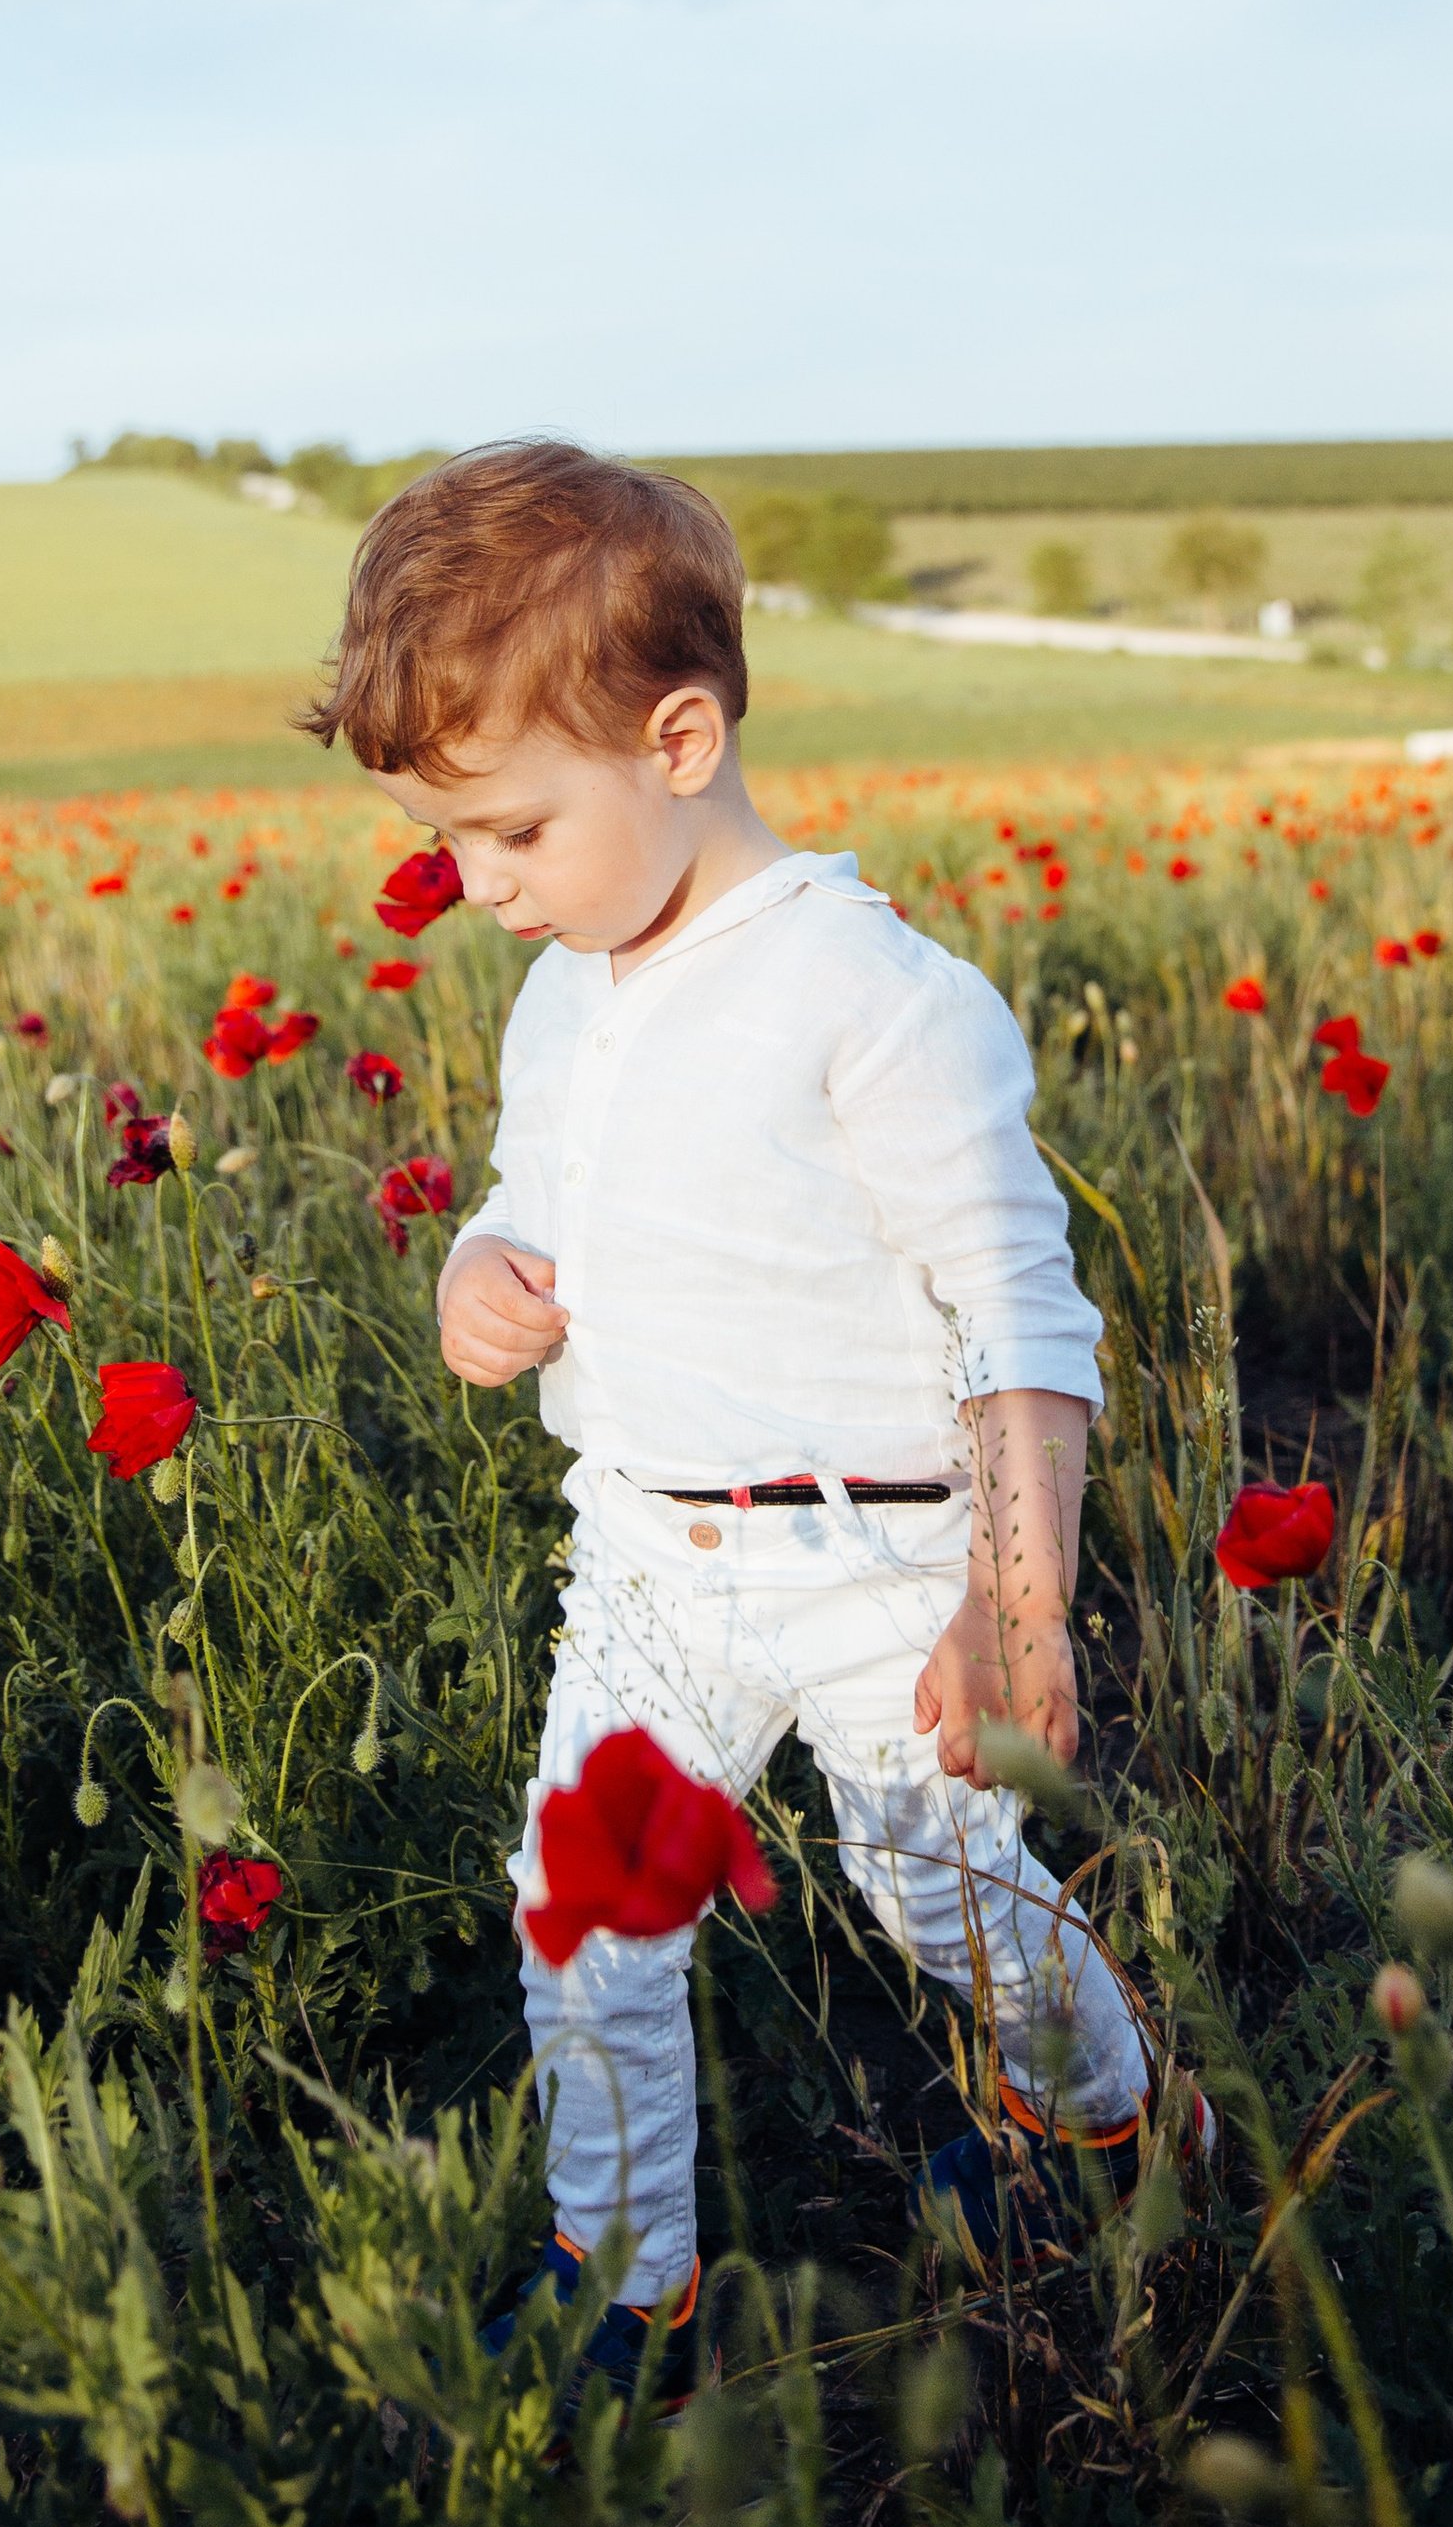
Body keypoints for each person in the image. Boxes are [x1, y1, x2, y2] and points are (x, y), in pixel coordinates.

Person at [309, 439, 1187, 2396]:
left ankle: (1110, 2128)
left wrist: (1018, 1605)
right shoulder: (567, 1002)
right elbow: (541, 1200)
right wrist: (482, 1272)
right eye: (452, 843)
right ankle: (627, 2271)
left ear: (679, 736)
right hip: (641, 1548)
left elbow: (1018, 1318)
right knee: (583, 1909)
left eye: (513, 833)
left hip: (882, 1554)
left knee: (937, 1883)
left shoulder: (873, 999)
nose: (475, 890)